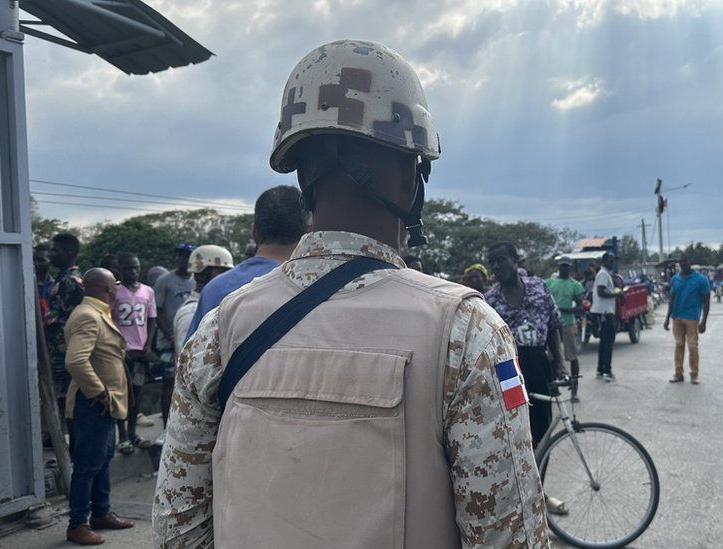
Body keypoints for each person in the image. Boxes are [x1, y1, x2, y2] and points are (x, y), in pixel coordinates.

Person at [153, 40, 547, 548]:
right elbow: (509, 537)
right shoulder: (466, 331)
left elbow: (178, 527)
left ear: (301, 175)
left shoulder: (220, 328)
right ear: (411, 176)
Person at [64, 268, 135, 545]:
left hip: (106, 403)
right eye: (114, 285)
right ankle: (77, 523)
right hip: (93, 402)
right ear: (107, 288)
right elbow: (76, 361)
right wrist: (99, 393)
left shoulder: (99, 312)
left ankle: (101, 513)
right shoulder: (87, 316)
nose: (118, 289)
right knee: (87, 465)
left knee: (103, 460)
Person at [182, 185, 305, 342]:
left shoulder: (213, 288)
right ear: (306, 233)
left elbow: (190, 359)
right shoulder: (310, 286)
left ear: (254, 232)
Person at [486, 242, 567, 442]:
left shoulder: (539, 286)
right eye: (492, 263)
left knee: (543, 426)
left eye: (501, 260)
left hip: (540, 362)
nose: (496, 266)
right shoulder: (490, 301)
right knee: (516, 428)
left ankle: (541, 471)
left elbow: (554, 325)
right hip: (508, 369)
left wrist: (560, 363)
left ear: (515, 260)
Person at [111, 252, 157, 455]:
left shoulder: (148, 291)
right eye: (129, 268)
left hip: (140, 352)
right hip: (122, 352)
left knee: (137, 394)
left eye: (136, 268)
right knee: (121, 394)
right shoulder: (115, 291)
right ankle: (121, 436)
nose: (133, 272)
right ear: (120, 269)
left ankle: (132, 433)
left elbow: (152, 319)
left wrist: (148, 345)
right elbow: (109, 320)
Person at [151, 244, 195, 429]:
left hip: (191, 338)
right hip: (168, 341)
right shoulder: (165, 280)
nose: (184, 260)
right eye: (181, 256)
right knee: (169, 382)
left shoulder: (196, 280)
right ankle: (165, 428)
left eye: (188, 256)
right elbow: (156, 310)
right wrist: (170, 333)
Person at [47, 233, 86, 416]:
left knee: (68, 398)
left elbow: (76, 320)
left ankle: (72, 442)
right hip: (58, 349)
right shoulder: (63, 278)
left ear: (69, 252)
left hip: (67, 351)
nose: (51, 254)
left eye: (55, 251)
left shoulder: (71, 281)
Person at [172, 245, 235, 352]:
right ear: (200, 274)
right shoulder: (191, 311)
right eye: (221, 272)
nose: (227, 277)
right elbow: (188, 358)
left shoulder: (209, 305)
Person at [664, 256, 710, 384]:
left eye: (685, 261)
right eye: (681, 262)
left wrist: (704, 321)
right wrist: (667, 318)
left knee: (692, 346)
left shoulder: (701, 280)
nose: (683, 263)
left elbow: (706, 301)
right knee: (679, 345)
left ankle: (694, 374)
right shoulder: (675, 279)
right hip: (677, 317)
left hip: (692, 318)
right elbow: (671, 299)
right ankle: (678, 374)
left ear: (690, 262)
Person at [546, 257, 585, 401]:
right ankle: (554, 389)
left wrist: (567, 309)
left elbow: (580, 307)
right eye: (562, 266)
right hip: (552, 325)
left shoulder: (575, 285)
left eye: (567, 266)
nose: (564, 268)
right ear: (559, 267)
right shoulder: (549, 283)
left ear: (570, 268)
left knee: (572, 357)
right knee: (552, 357)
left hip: (568, 324)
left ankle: (574, 390)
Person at [590, 252, 620, 381]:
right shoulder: (603, 274)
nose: (613, 263)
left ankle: (600, 370)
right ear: (605, 261)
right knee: (608, 343)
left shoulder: (605, 273)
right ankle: (606, 372)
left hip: (603, 312)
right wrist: (616, 295)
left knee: (604, 343)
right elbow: (601, 292)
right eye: (611, 261)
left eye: (614, 261)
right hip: (604, 313)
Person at [35, 244, 55, 320]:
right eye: (33, 259)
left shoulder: (56, 286)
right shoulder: (24, 286)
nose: (36, 263)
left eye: (41, 260)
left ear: (50, 262)